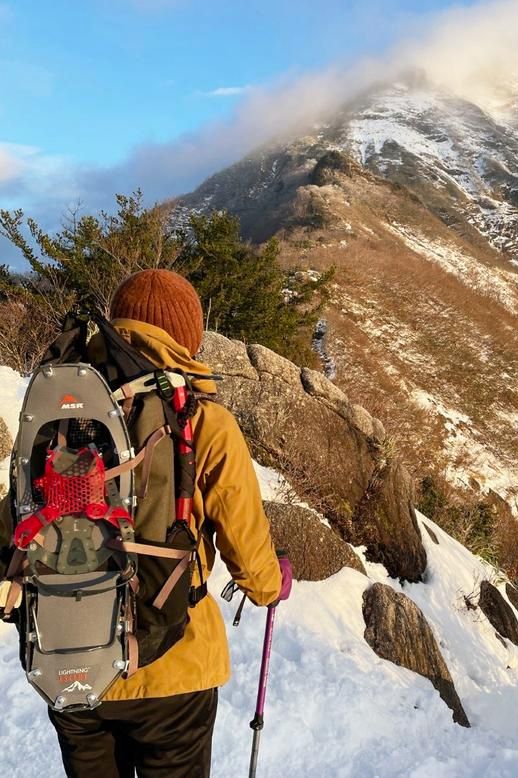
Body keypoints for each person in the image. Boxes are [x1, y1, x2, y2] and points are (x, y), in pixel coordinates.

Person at [1, 269, 291, 778]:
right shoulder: (202, 420)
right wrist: (272, 584)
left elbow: (17, 522)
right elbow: (248, 554)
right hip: (174, 667)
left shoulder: (60, 418)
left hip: (71, 661)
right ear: (187, 338)